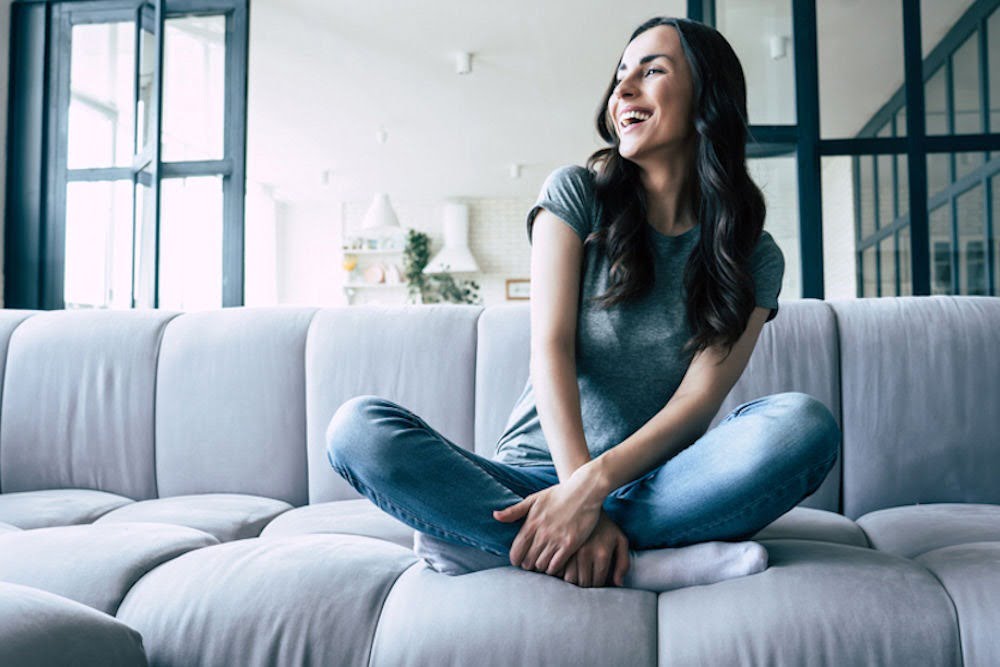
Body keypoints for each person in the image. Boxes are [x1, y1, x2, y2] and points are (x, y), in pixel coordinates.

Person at [326, 17, 841, 591]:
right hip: (530, 478)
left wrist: (593, 492)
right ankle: (636, 561)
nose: (623, 90)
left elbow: (697, 403)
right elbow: (551, 349)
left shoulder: (752, 256)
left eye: (652, 71)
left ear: (707, 96)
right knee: (358, 430)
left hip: (653, 484)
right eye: (621, 75)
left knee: (803, 427)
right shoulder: (576, 195)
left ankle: (501, 546)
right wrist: (576, 494)